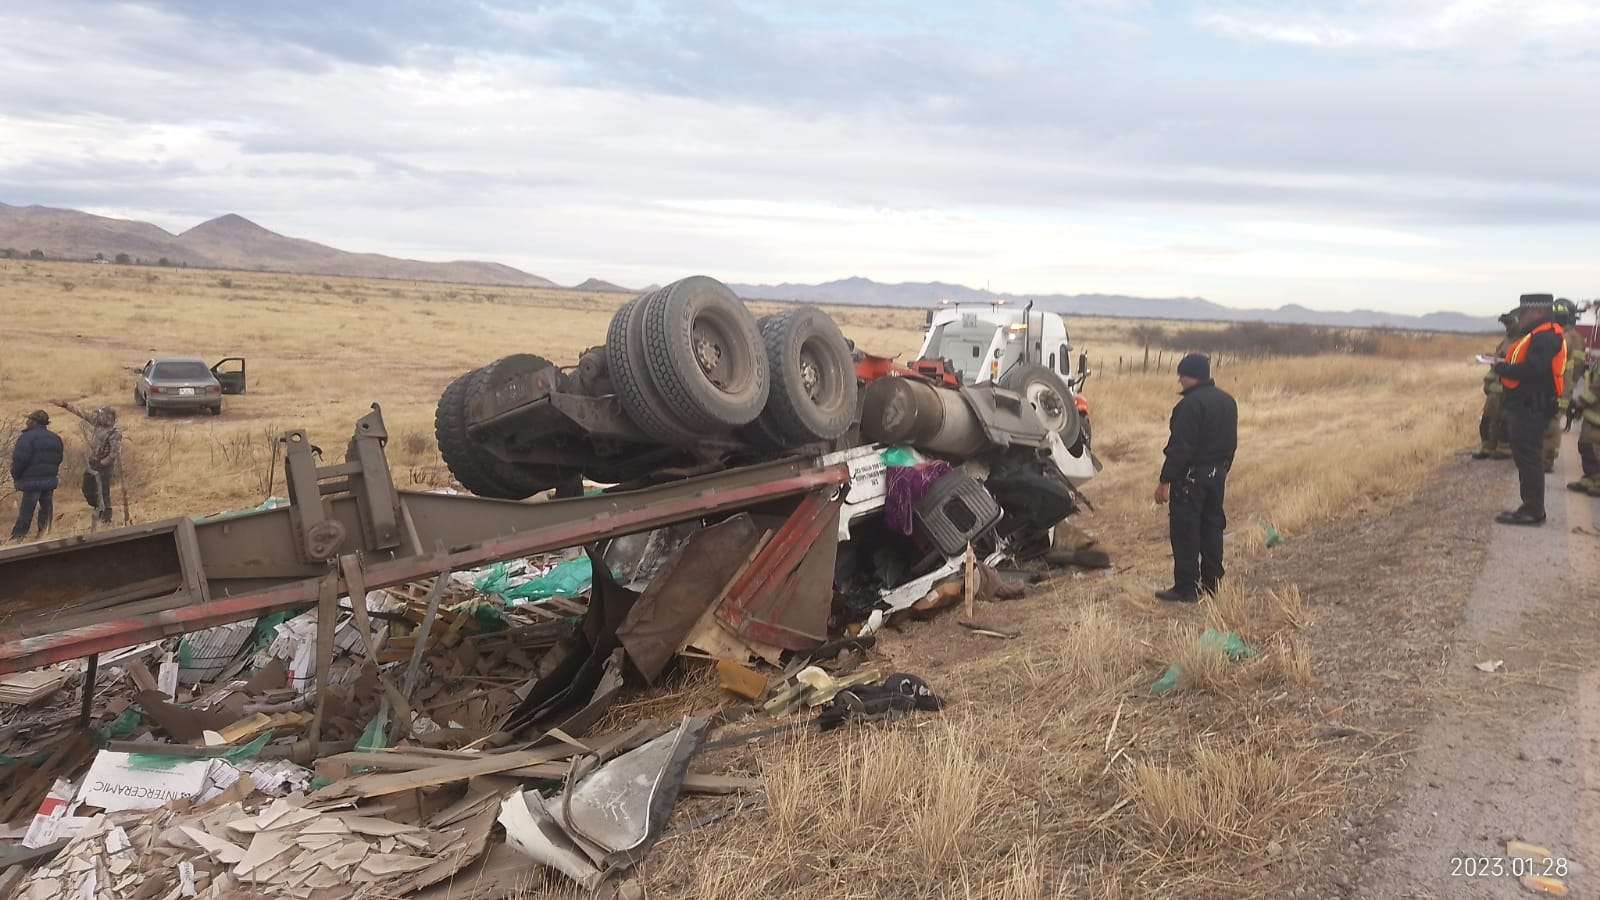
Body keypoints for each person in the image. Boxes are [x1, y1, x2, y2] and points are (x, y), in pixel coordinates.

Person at [1154, 352, 1237, 602]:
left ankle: (1186, 588)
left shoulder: (1189, 405)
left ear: (1194, 376)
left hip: (1191, 479)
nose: (1179, 379)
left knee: (1185, 530)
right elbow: (1231, 443)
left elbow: (1181, 447)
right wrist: (1221, 470)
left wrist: (1165, 481)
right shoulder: (1227, 401)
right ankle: (1212, 584)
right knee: (1212, 527)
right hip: (1217, 474)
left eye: (1183, 374)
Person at [1491, 294, 1568, 526]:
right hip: (1528, 405)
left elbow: (1534, 371)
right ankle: (1530, 507)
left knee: (1530, 458)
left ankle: (1533, 511)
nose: (1520, 318)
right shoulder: (1540, 334)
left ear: (1537, 312)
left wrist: (1504, 369)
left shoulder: (1545, 336)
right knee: (1526, 457)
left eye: (1523, 313)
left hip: (1531, 406)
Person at [53, 399, 123, 524]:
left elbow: (115, 453)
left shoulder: (114, 433)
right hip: (93, 463)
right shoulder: (97, 424)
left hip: (104, 466)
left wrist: (103, 463)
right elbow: (81, 413)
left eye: (101, 414)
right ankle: (97, 507)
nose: (98, 416)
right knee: (87, 487)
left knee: (104, 491)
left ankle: (106, 517)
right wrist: (65, 405)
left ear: (109, 417)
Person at [1541, 299, 1586, 472]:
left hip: (1559, 386)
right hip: (1567, 386)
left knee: (1551, 421)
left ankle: (1547, 459)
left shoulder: (1562, 338)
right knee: (1554, 419)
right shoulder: (1578, 338)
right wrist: (1572, 385)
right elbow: (1579, 367)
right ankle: (1547, 456)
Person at [9, 409, 64, 542]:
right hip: (49, 480)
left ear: (34, 422)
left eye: (29, 419)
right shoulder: (55, 438)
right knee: (46, 509)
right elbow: (59, 458)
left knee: (27, 511)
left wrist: (16, 476)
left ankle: (17, 538)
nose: (27, 422)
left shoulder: (26, 438)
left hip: (31, 482)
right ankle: (44, 535)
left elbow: (20, 461)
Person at [1473, 310, 1521, 460]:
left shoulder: (1522, 341)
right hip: (1495, 386)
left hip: (1508, 387)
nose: (1507, 327)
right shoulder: (1507, 339)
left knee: (1503, 419)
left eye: (1509, 324)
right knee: (1488, 417)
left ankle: (1504, 448)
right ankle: (1487, 446)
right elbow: (1498, 358)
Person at [1569, 356, 1600, 497]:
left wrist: (1579, 402)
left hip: (1596, 413)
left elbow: (1596, 389)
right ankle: (1590, 477)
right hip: (1592, 412)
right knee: (1585, 445)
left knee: (1595, 448)